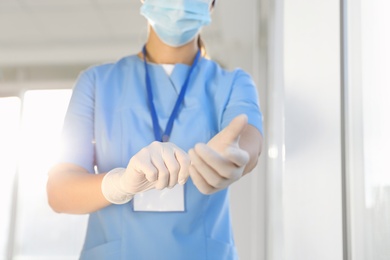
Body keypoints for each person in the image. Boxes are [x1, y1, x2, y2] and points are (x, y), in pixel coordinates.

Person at [46, 0, 263, 259]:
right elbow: (59, 192)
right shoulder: (96, 82)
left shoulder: (233, 83)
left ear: (212, 4)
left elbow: (249, 136)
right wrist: (119, 184)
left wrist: (235, 155)